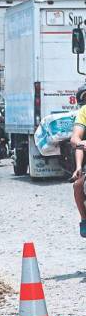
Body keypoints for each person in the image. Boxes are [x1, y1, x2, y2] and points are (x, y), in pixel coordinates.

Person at [70, 85, 86, 236]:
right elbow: (76, 138)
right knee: (77, 185)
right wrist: (78, 167)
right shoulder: (83, 112)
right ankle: (84, 219)